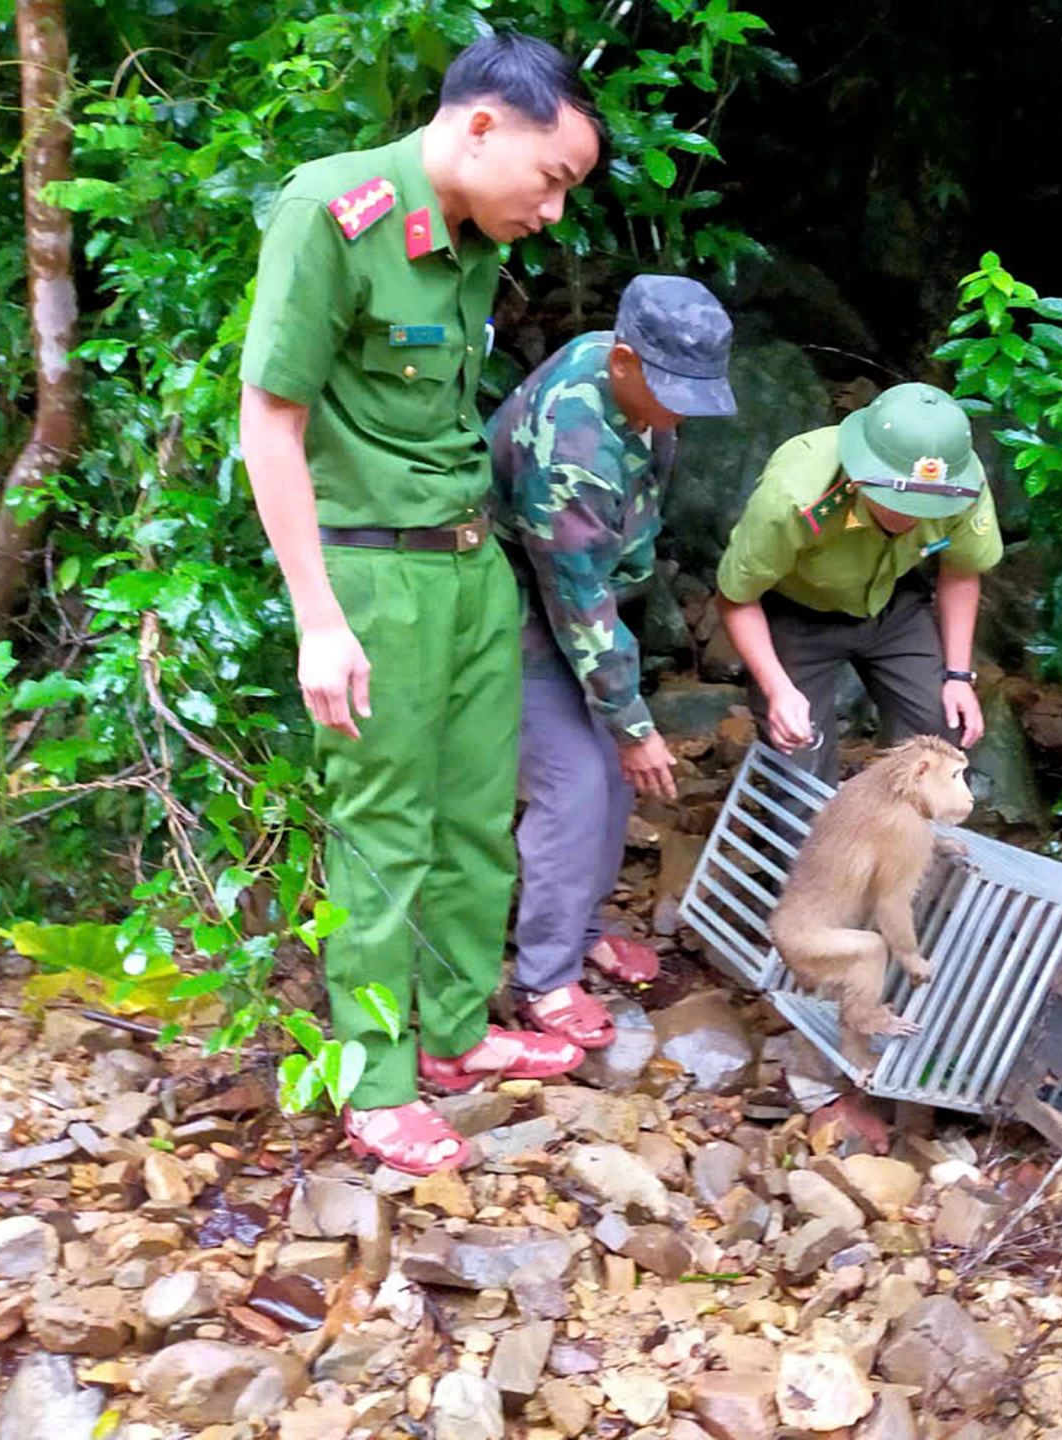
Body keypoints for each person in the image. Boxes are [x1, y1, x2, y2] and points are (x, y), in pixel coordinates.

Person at [238, 32, 604, 1176]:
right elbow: (271, 421)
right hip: (372, 574)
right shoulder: (332, 211)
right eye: (554, 179)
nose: (553, 212)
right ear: (484, 125)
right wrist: (318, 615)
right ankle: (377, 1077)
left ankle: (452, 1036)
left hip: (467, 563)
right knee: (385, 826)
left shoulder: (472, 241)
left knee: (471, 813)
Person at [485, 275, 737, 1049]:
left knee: (617, 774)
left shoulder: (625, 381)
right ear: (625, 359)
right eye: (670, 391)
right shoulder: (573, 444)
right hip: (520, 610)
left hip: (581, 603)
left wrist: (626, 726)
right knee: (578, 782)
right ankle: (546, 978)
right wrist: (632, 722)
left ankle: (585, 925)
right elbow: (575, 599)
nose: (680, 410)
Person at [714, 383, 1003, 785]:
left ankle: (902, 838)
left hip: (894, 602)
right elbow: (735, 597)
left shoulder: (961, 485)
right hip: (798, 613)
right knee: (800, 763)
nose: (914, 517)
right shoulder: (795, 494)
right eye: (901, 502)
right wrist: (777, 688)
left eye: (928, 506)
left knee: (939, 742)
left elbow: (961, 570)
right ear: (861, 476)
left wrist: (958, 677)